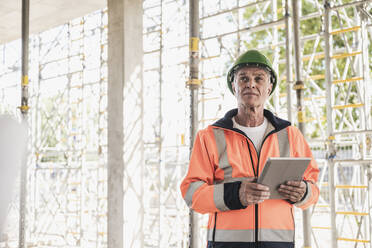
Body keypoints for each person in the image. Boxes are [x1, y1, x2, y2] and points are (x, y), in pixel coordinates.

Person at [180, 50, 319, 248]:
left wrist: (304, 192)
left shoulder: (291, 135)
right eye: (243, 78)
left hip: (279, 244)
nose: (250, 84)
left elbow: (314, 189)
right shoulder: (210, 136)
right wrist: (236, 194)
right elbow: (191, 194)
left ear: (269, 87)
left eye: (259, 79)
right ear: (234, 87)